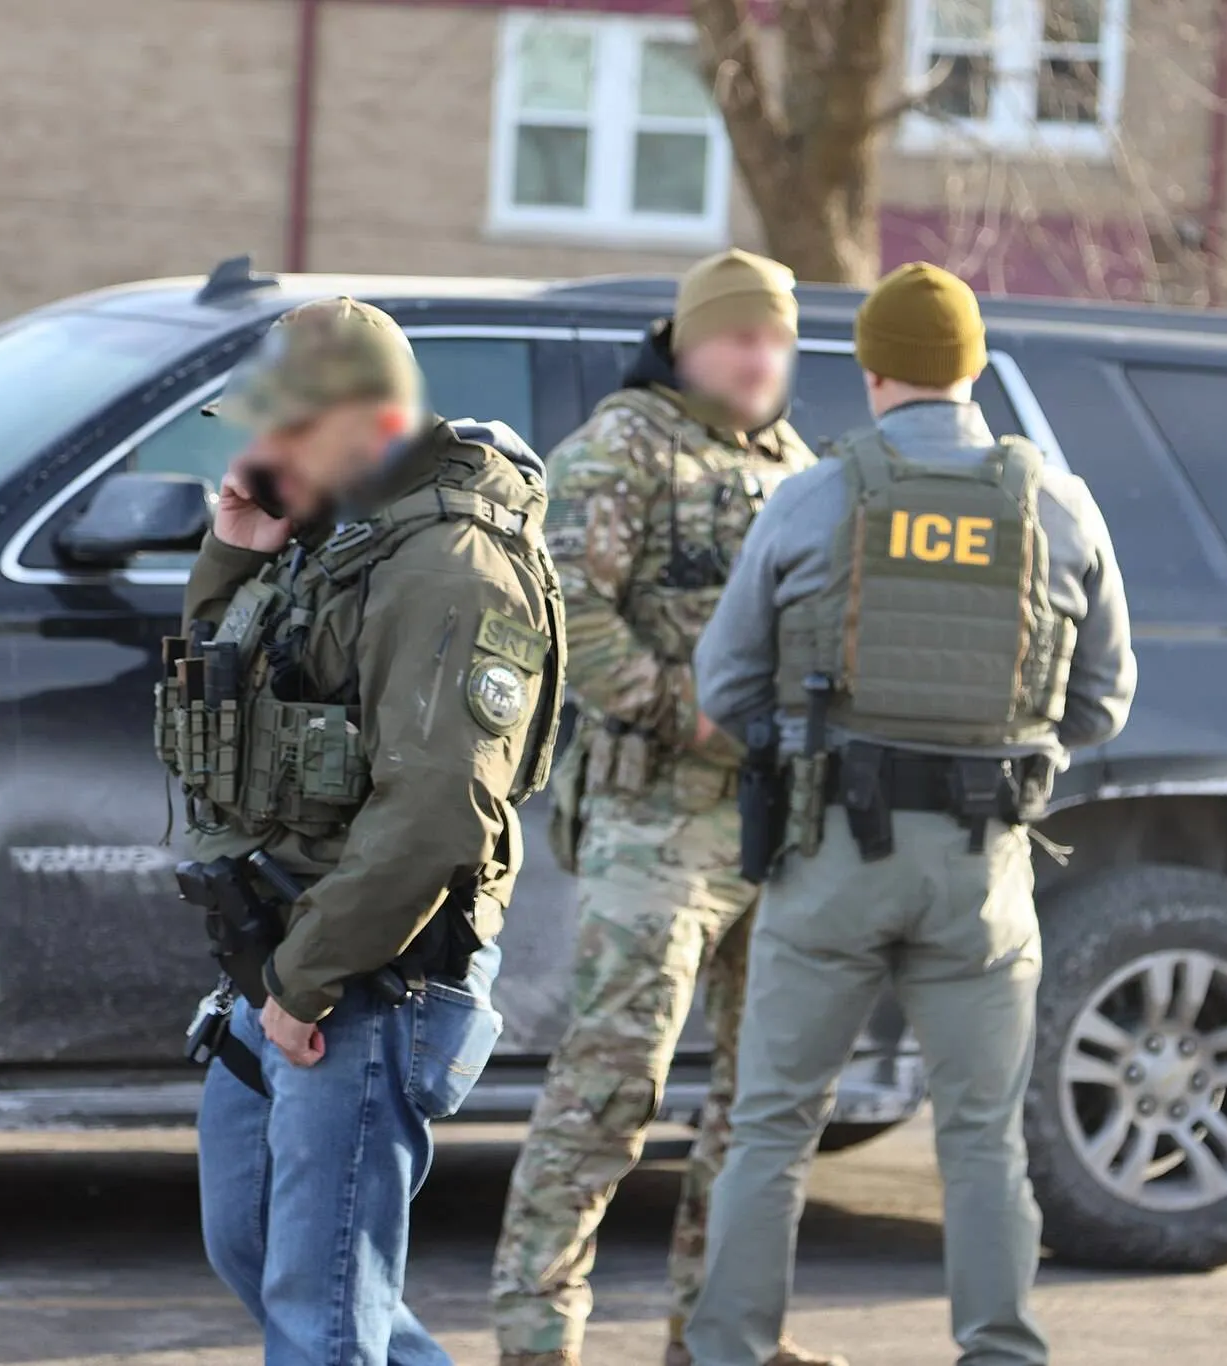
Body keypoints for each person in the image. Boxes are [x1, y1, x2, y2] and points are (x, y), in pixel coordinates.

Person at [685, 263, 1138, 1366]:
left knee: (772, 1128)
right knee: (981, 1140)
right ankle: (998, 1350)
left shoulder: (811, 495)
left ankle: (729, 1350)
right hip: (980, 869)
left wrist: (814, 742)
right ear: (973, 367)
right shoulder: (1058, 504)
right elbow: (1102, 701)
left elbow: (724, 685)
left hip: (830, 853)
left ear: (872, 371)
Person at [168, 297, 565, 1366]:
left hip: (365, 976)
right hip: (285, 952)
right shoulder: (338, 535)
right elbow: (224, 717)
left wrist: (304, 983)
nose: (258, 453)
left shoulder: (446, 567)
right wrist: (234, 554)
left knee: (322, 1319)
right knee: (262, 1257)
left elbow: (438, 811)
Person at [490, 251, 840, 1366]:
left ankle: (718, 1335)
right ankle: (536, 1336)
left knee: (757, 1104)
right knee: (611, 1087)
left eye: (775, 340)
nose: (758, 358)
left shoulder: (801, 466)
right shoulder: (618, 449)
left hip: (775, 828)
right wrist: (686, 713)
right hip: (655, 826)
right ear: (688, 341)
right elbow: (567, 616)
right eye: (739, 336)